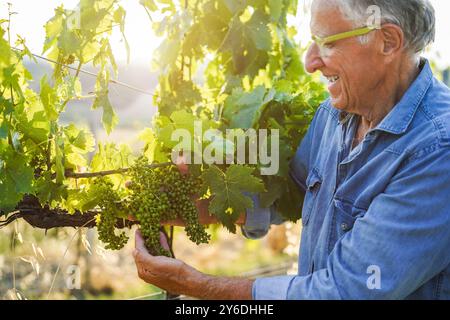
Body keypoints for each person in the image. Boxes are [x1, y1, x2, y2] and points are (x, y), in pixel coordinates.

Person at [132, 0, 450, 300]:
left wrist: (195, 285)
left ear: (388, 42)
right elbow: (291, 197)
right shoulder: (334, 115)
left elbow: (343, 291)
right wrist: (192, 208)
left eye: (327, 42)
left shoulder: (437, 151)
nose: (310, 62)